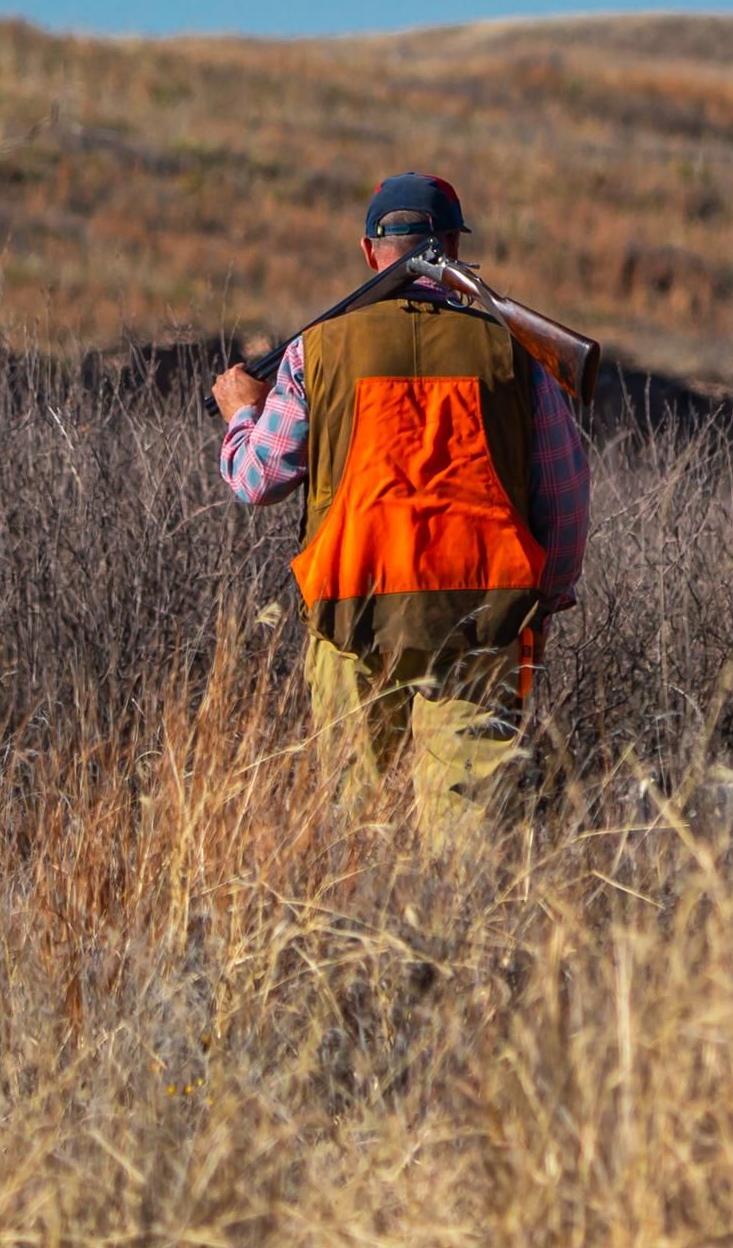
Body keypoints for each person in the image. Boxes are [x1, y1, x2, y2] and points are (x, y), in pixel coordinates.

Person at [212, 172, 589, 841]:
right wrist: (543, 601)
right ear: (453, 247)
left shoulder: (316, 352)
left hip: (352, 612)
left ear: (368, 252)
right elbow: (563, 494)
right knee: (468, 844)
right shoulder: (516, 350)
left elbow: (256, 479)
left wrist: (244, 412)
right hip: (484, 617)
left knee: (348, 835)